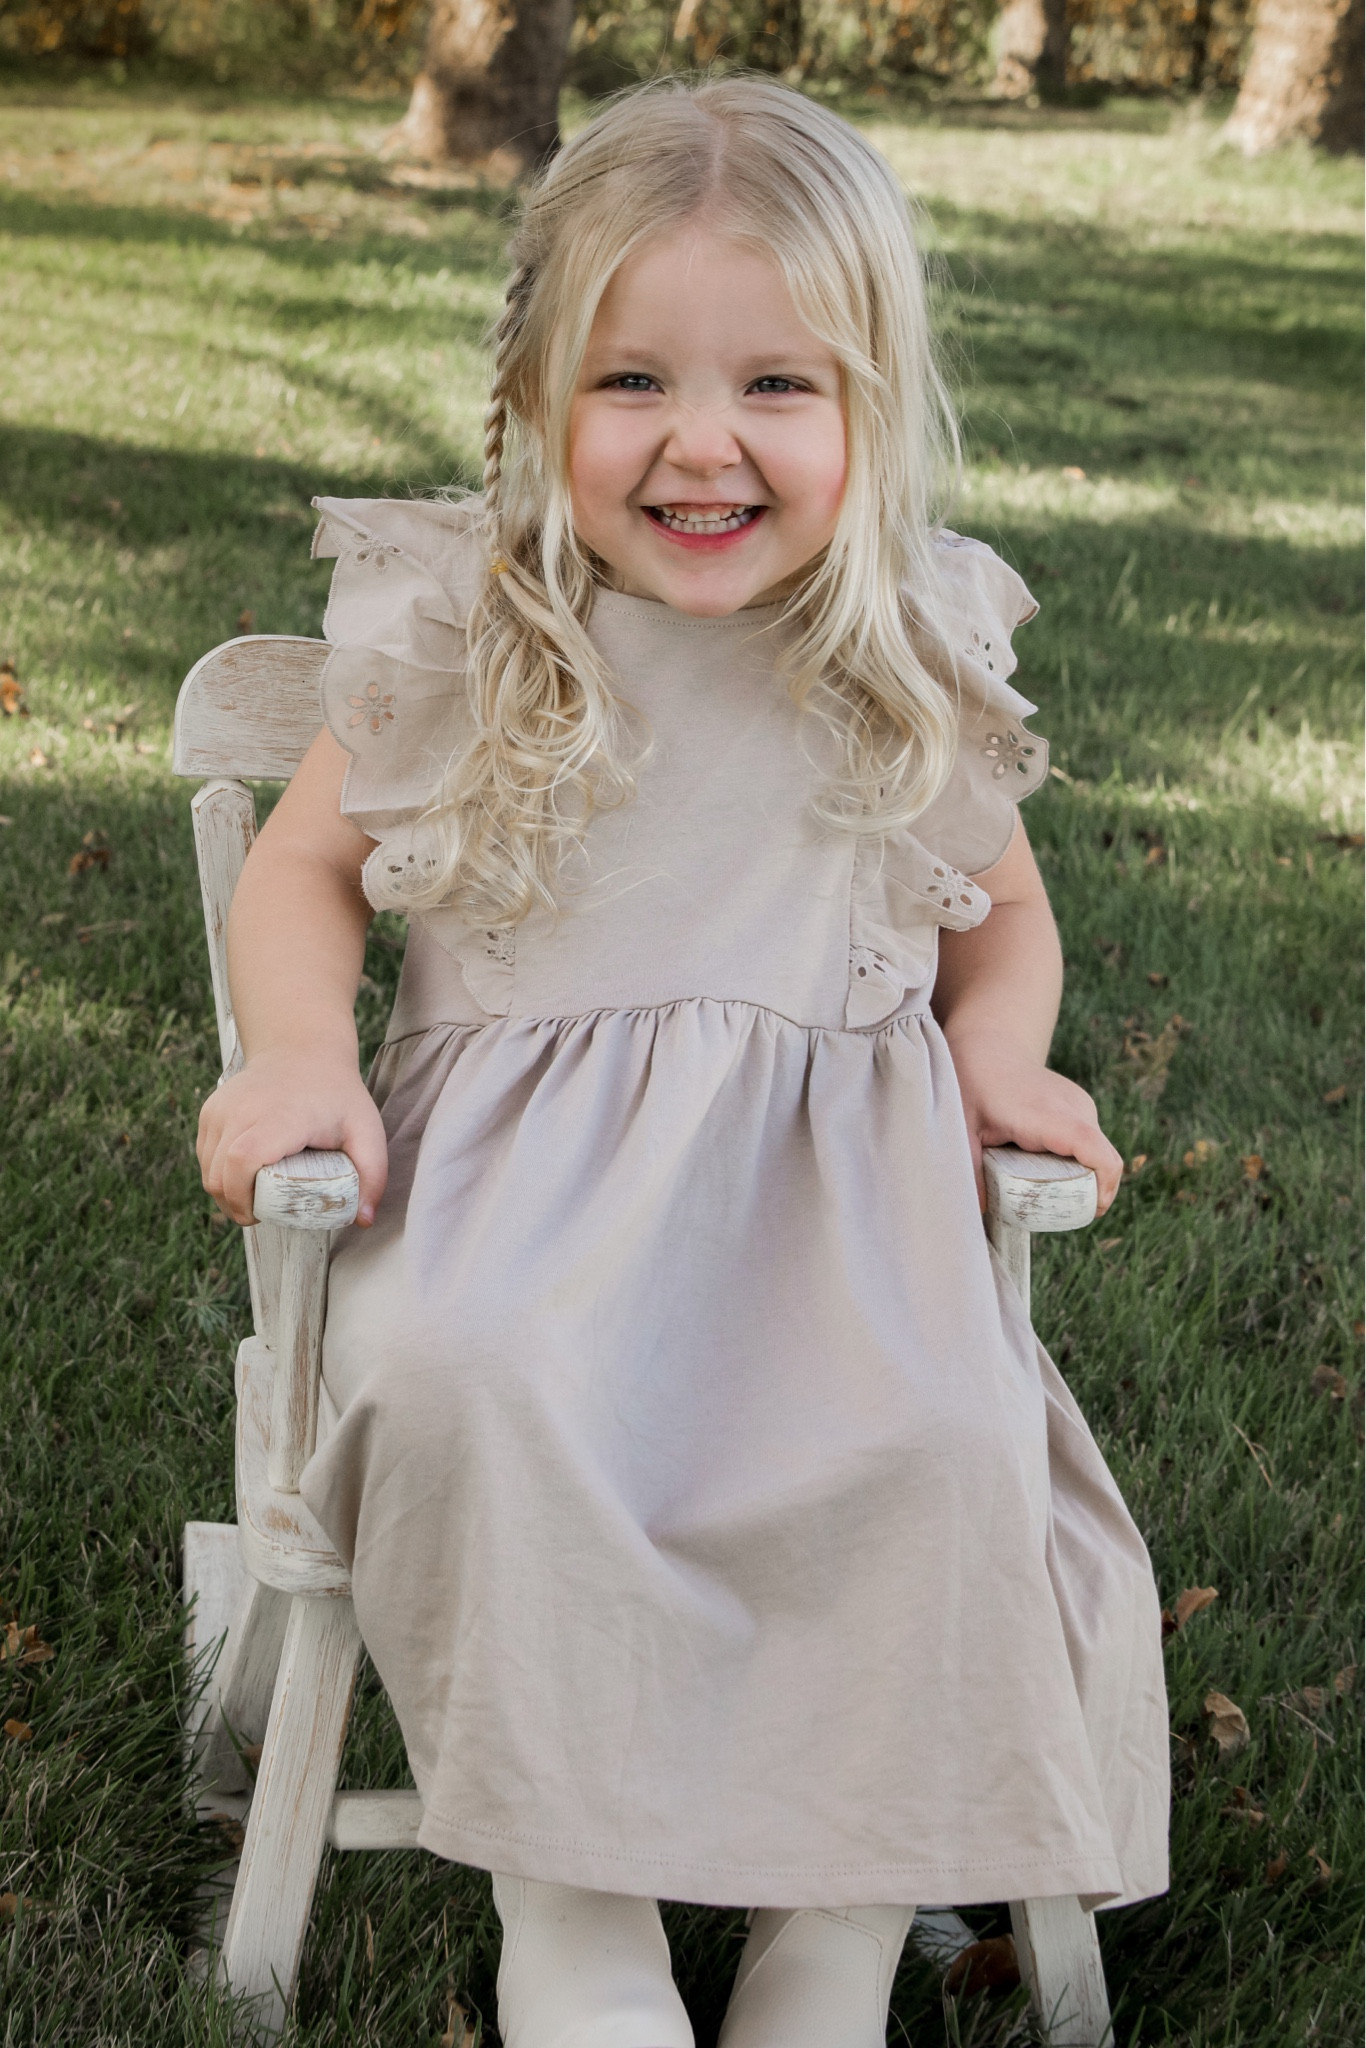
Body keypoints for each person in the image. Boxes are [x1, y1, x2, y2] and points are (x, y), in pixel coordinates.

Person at [197, 76, 1169, 2048]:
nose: (699, 442)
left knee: (936, 1443)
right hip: (511, 1216)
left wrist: (998, 1051)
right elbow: (307, 862)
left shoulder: (895, 642)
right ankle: (575, 1912)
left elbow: (1000, 910)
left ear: (869, 410)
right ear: (533, 397)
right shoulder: (472, 627)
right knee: (487, 1389)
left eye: (777, 389)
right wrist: (298, 1048)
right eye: (630, 379)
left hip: (831, 1217)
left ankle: (831, 1919)